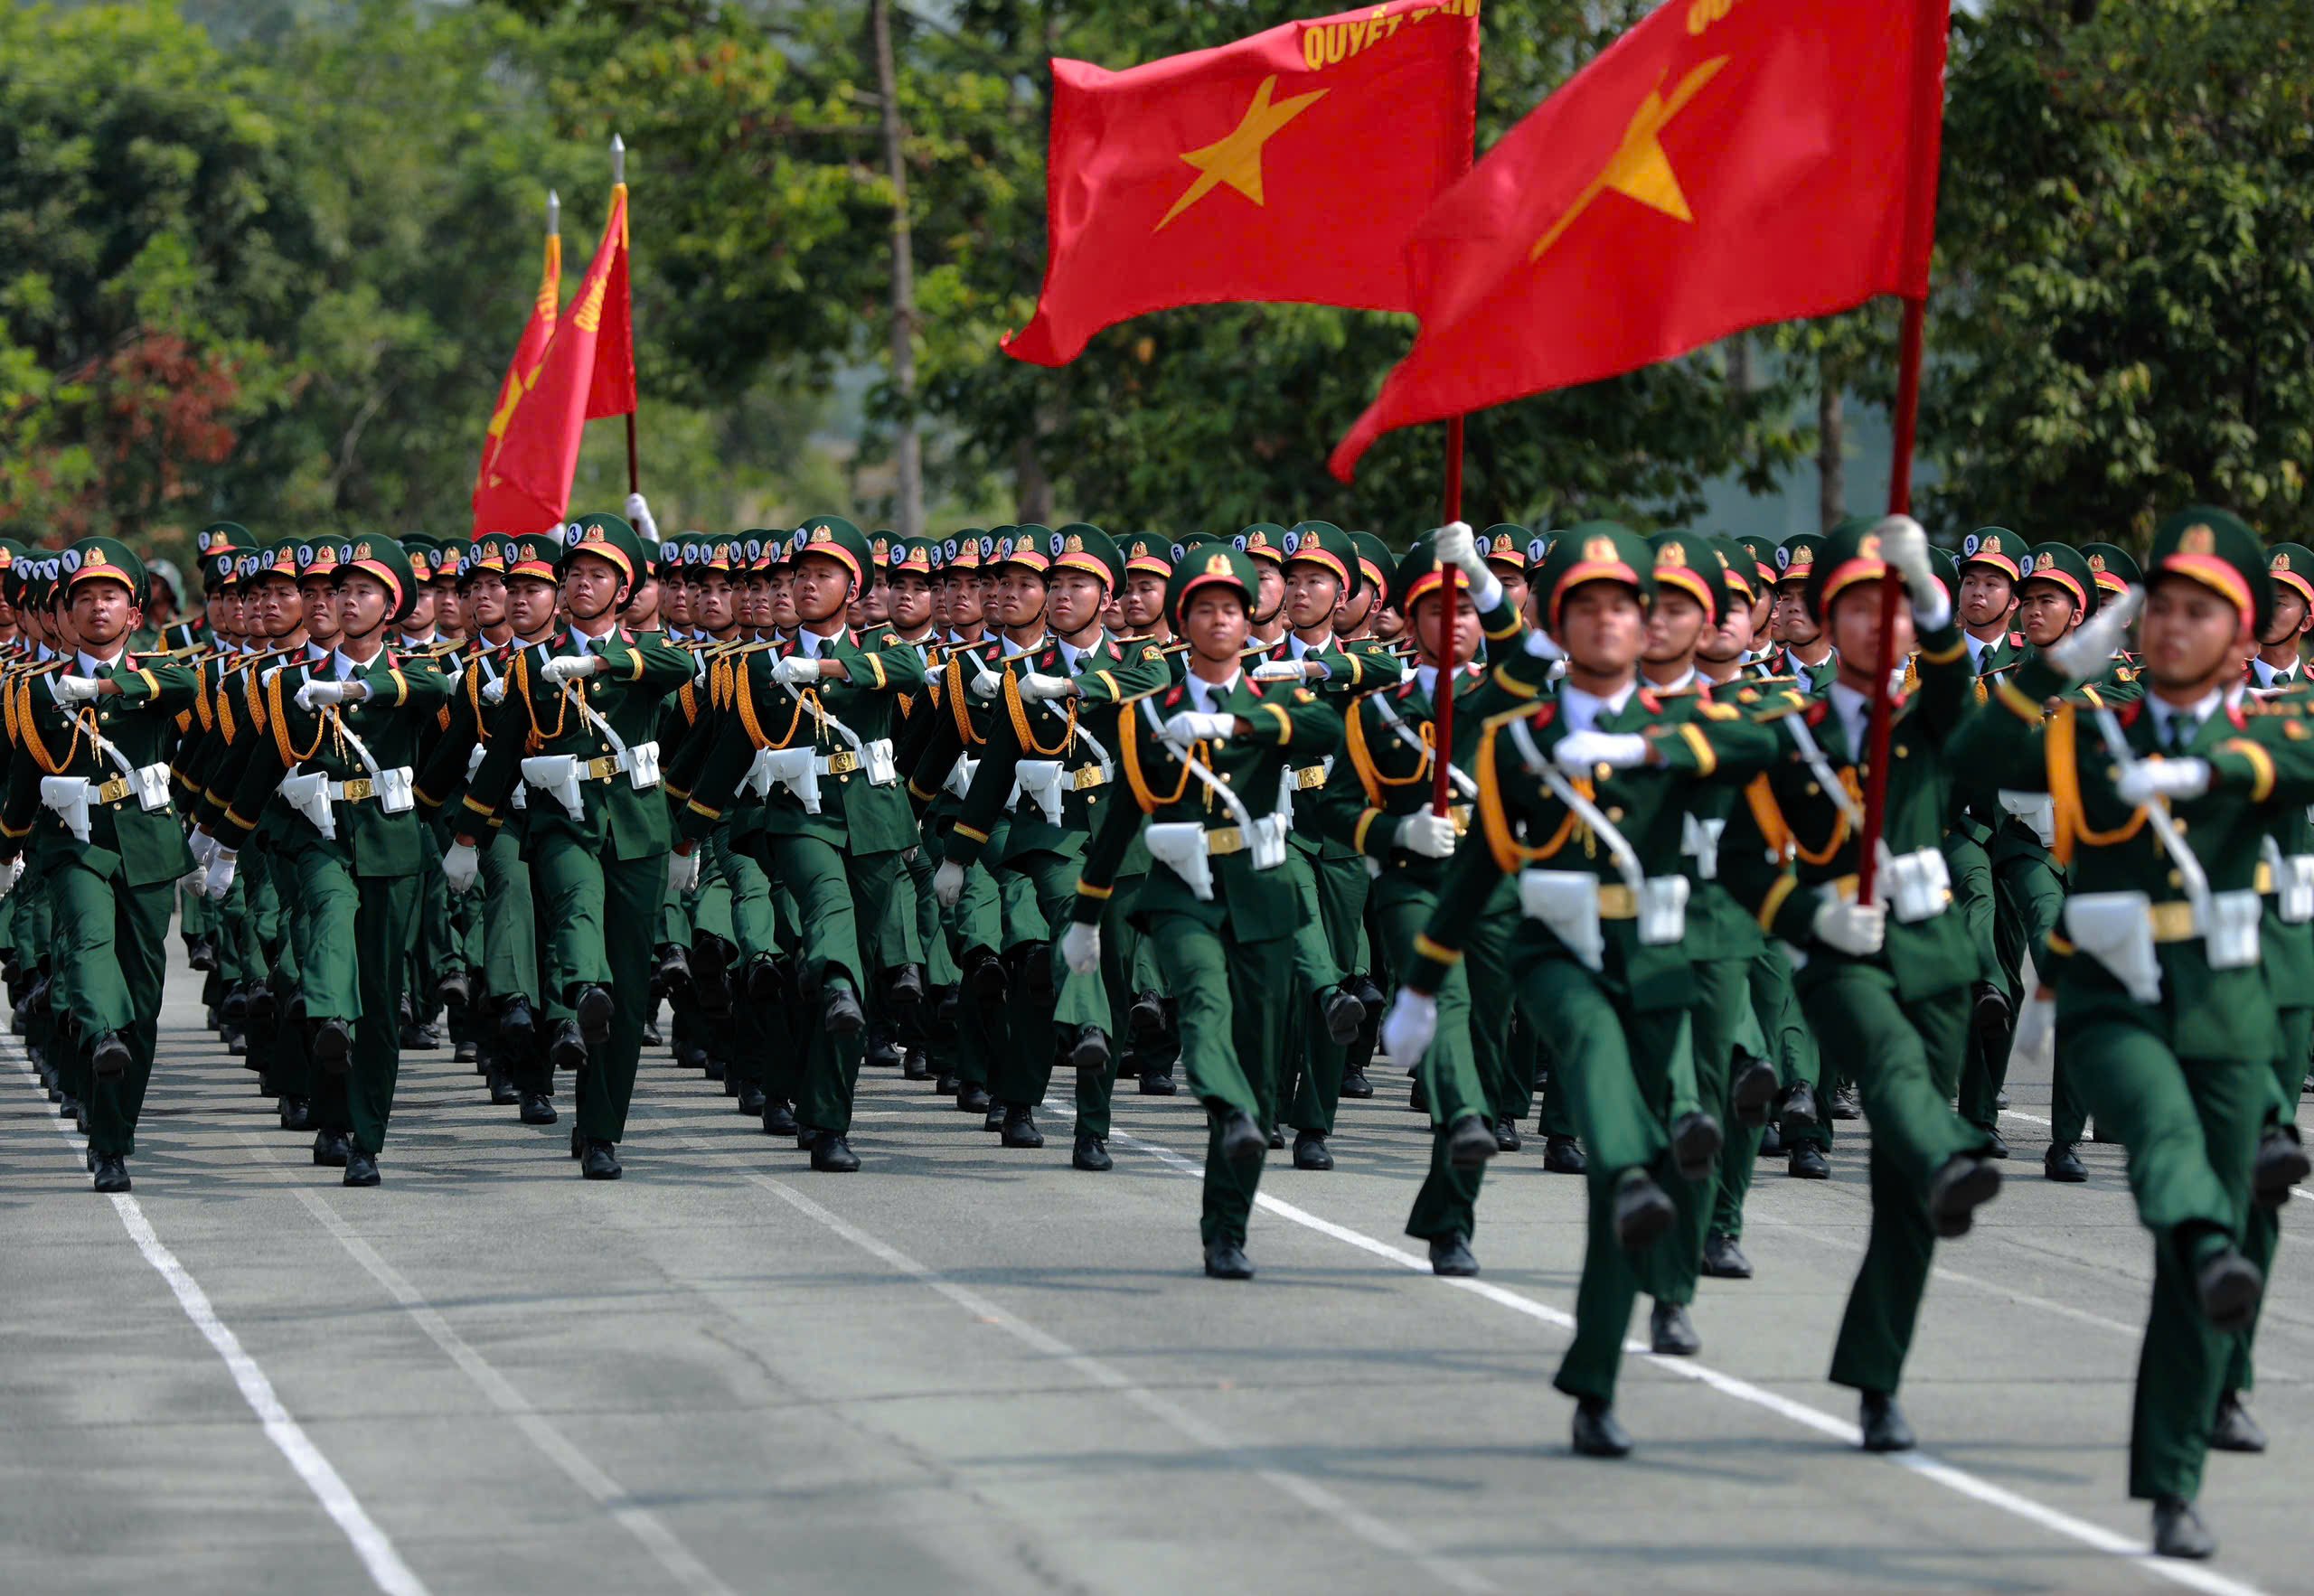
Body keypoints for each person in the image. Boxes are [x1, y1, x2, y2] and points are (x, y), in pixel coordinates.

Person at [1953, 508, 2314, 1559]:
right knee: (2166, 1156)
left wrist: (2205, 770)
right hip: (2111, 999)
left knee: (2212, 1241)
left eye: (2201, 611)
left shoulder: (2273, 718)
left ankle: (2173, 1473)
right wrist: (2063, 658)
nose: (2172, 626)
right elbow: (1972, 744)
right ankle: (2203, 1249)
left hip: (2230, 1006)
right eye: (2158, 607)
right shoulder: (2086, 725)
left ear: (2244, 635)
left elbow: (2291, 757)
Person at [1065, 545, 1340, 1278]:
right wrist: (1088, 917)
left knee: (1257, 1057)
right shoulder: (1147, 711)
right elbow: (1122, 816)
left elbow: (1329, 734)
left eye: (1231, 608)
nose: (1219, 620)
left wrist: (1243, 729)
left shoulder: (1274, 698)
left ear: (1249, 619)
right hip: (1182, 893)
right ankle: (1228, 1107)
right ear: (1182, 622)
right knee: (1202, 1006)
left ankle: (1227, 1230)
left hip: (1261, 892)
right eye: (1204, 609)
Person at [197, 535, 451, 1187]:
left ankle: (359, 1134)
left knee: (379, 993)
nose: (347, 600)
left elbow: (423, 688)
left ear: (392, 606)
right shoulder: (293, 682)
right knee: (330, 926)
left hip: (391, 842)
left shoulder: (413, 673)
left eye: (363, 590)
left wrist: (353, 693)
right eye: (342, 591)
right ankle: (328, 1018)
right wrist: (223, 840)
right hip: (320, 836)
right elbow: (259, 767)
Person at [452, 513, 693, 1179]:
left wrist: (600, 661)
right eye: (575, 574)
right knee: (576, 906)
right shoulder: (532, 667)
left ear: (624, 589)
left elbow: (684, 664)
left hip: (638, 826)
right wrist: (467, 837)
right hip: (563, 821)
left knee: (633, 988)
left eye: (599, 576)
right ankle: (583, 989)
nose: (583, 585)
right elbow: (501, 759)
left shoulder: (645, 657)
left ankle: (601, 1131)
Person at [0, 538, 196, 1193]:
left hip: (144, 844)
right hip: (73, 844)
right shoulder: (37, 690)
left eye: (110, 596)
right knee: (86, 946)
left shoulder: (157, 674)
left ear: (134, 614)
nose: (96, 608)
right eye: (82, 598)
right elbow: (24, 780)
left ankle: (112, 1134)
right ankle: (101, 1036)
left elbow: (187, 681)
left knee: (144, 1000)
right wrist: (7, 850)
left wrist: (111, 684)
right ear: (63, 614)